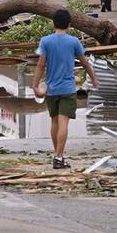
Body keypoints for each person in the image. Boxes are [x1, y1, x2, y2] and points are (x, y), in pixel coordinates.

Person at [32, 9, 98, 169]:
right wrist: (94, 79)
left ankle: (58, 156)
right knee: (64, 123)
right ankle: (59, 157)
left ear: (53, 23)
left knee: (54, 121)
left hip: (51, 89)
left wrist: (35, 85)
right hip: (68, 89)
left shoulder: (45, 41)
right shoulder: (73, 41)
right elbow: (85, 62)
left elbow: (41, 65)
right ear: (69, 24)